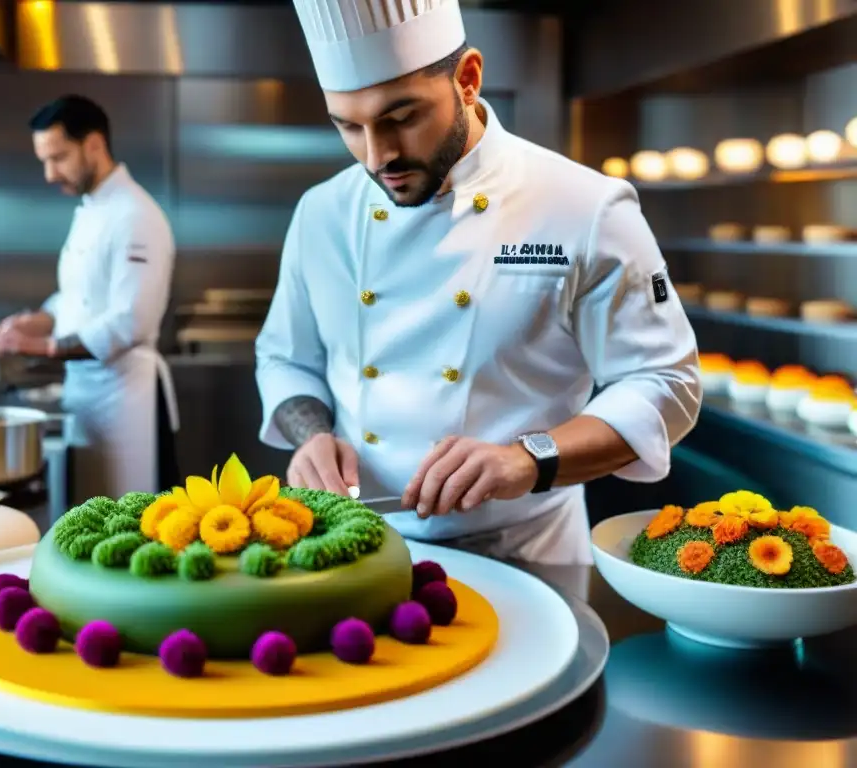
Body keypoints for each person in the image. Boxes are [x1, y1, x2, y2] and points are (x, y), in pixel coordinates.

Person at [253, 0, 702, 565]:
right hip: (358, 546)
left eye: (402, 117)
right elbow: (285, 359)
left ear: (467, 80)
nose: (377, 156)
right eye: (349, 126)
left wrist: (528, 457)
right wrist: (311, 436)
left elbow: (668, 383)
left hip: (528, 552)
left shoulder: (585, 207)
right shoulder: (321, 212)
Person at [0, 94, 179, 502]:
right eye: (44, 160)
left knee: (133, 526)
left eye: (58, 157)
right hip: (87, 398)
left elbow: (129, 322)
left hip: (127, 402)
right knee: (95, 523)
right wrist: (39, 320)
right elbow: (77, 297)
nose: (48, 173)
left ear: (94, 144)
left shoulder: (136, 215)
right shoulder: (91, 210)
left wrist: (40, 346)